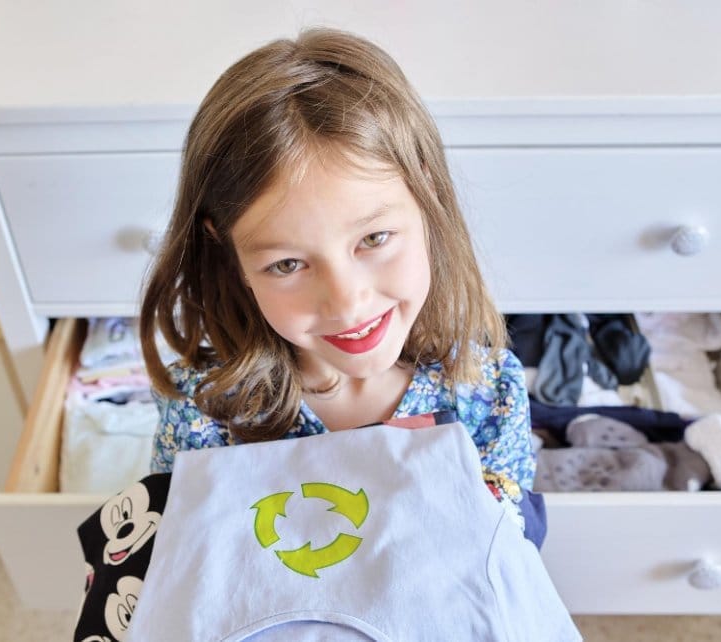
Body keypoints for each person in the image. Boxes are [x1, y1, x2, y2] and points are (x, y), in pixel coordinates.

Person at [139, 27, 536, 511]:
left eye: (374, 239)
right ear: (232, 255)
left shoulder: (489, 392)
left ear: (426, 195)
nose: (347, 302)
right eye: (287, 264)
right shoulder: (201, 412)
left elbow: (503, 560)